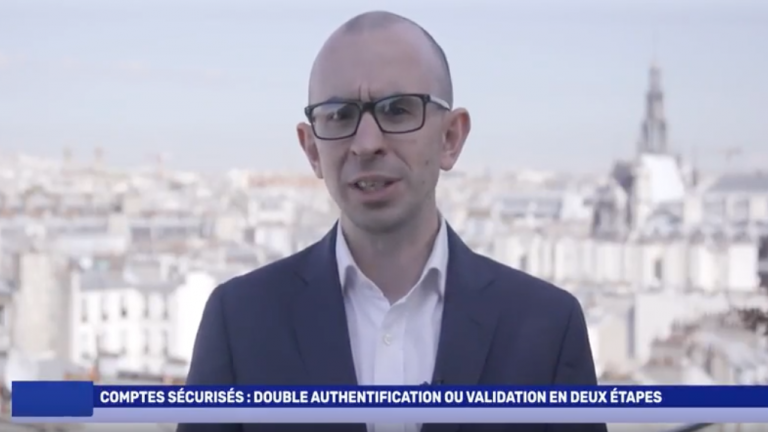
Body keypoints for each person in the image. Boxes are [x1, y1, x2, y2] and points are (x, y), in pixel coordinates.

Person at [178, 10, 606, 432]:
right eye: (340, 115)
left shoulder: (547, 329)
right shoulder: (240, 323)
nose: (367, 144)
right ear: (311, 150)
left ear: (451, 137)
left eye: (397, 110)